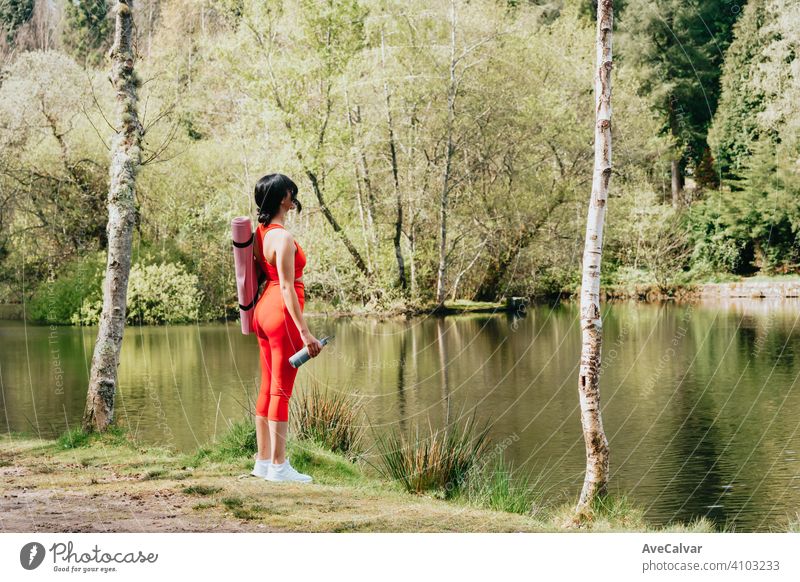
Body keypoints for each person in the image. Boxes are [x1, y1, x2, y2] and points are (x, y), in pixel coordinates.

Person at [249, 173, 323, 483]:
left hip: (262, 312)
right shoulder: (283, 237)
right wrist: (306, 334)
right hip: (281, 314)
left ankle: (263, 462)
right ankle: (279, 467)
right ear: (283, 198)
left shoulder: (261, 232)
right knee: (281, 390)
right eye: (291, 194)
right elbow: (287, 289)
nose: (294, 199)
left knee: (268, 386)